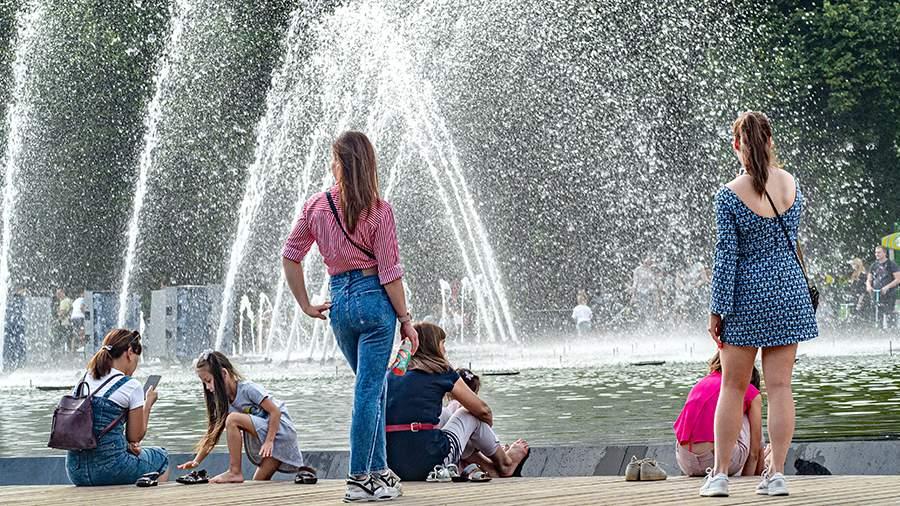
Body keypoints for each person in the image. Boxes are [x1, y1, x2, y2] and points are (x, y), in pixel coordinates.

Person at [282, 131, 417, 502]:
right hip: (375, 303)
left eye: (333, 158)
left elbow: (291, 256)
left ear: (339, 164)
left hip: (339, 303)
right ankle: (359, 478)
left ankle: (379, 471)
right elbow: (390, 273)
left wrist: (305, 304)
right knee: (369, 391)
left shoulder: (316, 206)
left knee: (373, 388)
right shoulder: (379, 210)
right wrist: (406, 320)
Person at [704, 111, 817, 498]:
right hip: (789, 291)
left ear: (736, 145)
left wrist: (716, 310)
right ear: (770, 141)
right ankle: (777, 473)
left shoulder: (729, 194)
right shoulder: (790, 184)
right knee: (781, 386)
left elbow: (726, 258)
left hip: (747, 296)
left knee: (732, 387)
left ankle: (719, 475)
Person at [385, 323, 529, 481]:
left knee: (447, 412)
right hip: (430, 464)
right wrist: (483, 432)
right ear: (433, 346)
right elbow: (483, 410)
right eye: (442, 343)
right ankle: (505, 463)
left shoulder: (390, 374)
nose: (445, 350)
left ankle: (483, 463)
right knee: (468, 413)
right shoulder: (440, 371)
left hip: (393, 466)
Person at [177, 350, 313, 484]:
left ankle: (234, 471)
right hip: (273, 442)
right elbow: (213, 434)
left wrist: (269, 441)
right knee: (258, 482)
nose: (207, 387)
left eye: (208, 381)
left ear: (223, 374)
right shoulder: (225, 403)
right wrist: (196, 461)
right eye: (204, 383)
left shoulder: (247, 389)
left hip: (279, 431)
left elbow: (275, 412)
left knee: (232, 419)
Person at [65, 329, 169, 486]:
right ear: (130, 353)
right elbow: (135, 437)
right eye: (137, 359)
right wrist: (148, 404)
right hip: (112, 469)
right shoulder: (131, 385)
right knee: (162, 457)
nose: (136, 365)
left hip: (76, 471)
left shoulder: (83, 380)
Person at [674, 352, 764, 477]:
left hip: (686, 462)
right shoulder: (748, 390)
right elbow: (754, 452)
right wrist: (748, 479)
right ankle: (760, 471)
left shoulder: (701, 383)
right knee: (747, 415)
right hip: (719, 461)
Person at [866, 245, 900, 329]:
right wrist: (869, 286)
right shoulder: (874, 265)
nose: (876, 254)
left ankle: (891, 330)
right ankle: (878, 329)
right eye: (876, 252)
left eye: (879, 252)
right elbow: (869, 279)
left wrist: (887, 287)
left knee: (889, 312)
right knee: (877, 313)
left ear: (884, 253)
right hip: (876, 293)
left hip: (889, 294)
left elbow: (898, 279)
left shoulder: (891, 264)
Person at [631, 257, 657, 325]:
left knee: (650, 309)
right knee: (642, 309)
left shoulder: (652, 270)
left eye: (650, 262)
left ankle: (649, 322)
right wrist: (633, 295)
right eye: (647, 262)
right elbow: (635, 282)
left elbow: (654, 282)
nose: (648, 263)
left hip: (650, 292)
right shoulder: (638, 270)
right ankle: (642, 322)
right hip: (640, 292)